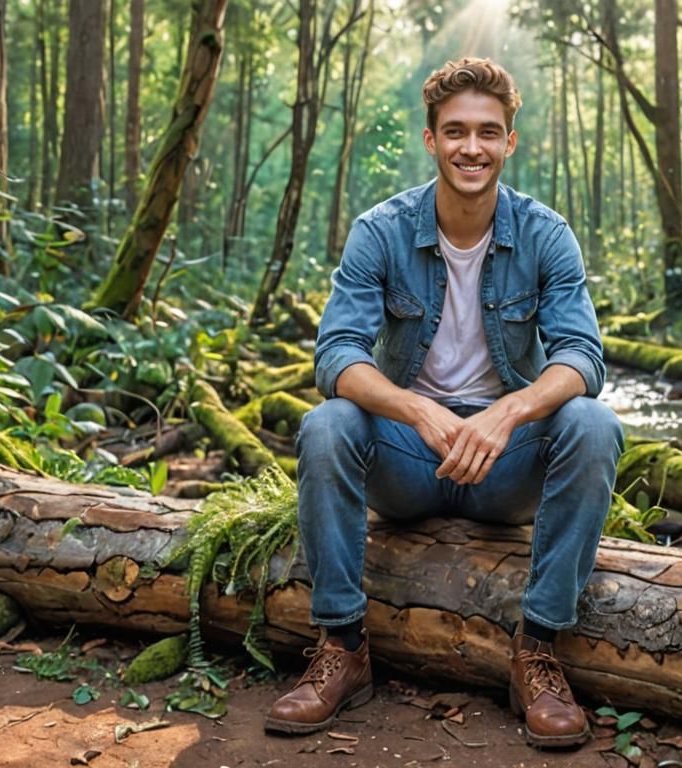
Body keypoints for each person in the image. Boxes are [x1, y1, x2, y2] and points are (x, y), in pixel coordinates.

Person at [263, 57, 623, 749]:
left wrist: (506, 412)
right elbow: (337, 354)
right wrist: (420, 411)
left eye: (488, 132)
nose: (471, 147)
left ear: (510, 142)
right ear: (430, 140)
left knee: (592, 423)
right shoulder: (382, 231)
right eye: (455, 131)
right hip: (408, 461)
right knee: (328, 424)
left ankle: (537, 651)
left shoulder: (545, 234)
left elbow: (583, 357)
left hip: (503, 465)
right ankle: (341, 647)